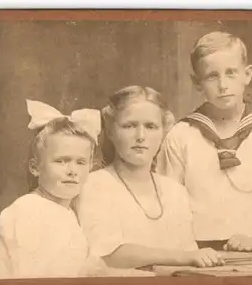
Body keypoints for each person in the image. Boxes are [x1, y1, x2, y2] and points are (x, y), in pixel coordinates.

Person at [155, 31, 252, 253]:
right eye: (212, 76)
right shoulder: (181, 134)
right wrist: (188, 249)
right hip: (199, 250)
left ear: (248, 74)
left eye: (231, 73)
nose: (223, 85)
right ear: (197, 83)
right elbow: (169, 201)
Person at [76, 85, 225, 271]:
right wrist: (186, 257)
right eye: (129, 126)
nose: (140, 136)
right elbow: (110, 255)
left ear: (163, 132)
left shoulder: (175, 191)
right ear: (111, 131)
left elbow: (189, 256)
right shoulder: (93, 185)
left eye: (151, 126)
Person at [0, 100, 105, 279]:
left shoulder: (62, 211)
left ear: (90, 166)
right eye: (61, 161)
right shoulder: (30, 212)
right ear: (35, 168)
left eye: (80, 162)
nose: (72, 171)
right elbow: (40, 283)